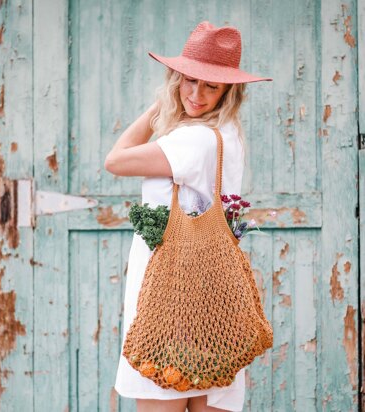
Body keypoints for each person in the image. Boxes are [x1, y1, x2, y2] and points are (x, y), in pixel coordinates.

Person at [104, 21, 271, 412]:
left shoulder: (193, 140)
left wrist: (160, 105)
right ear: (176, 77)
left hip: (173, 303)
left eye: (210, 85)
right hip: (210, 302)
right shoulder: (226, 134)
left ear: (230, 90)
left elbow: (115, 160)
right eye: (187, 80)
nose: (196, 94)